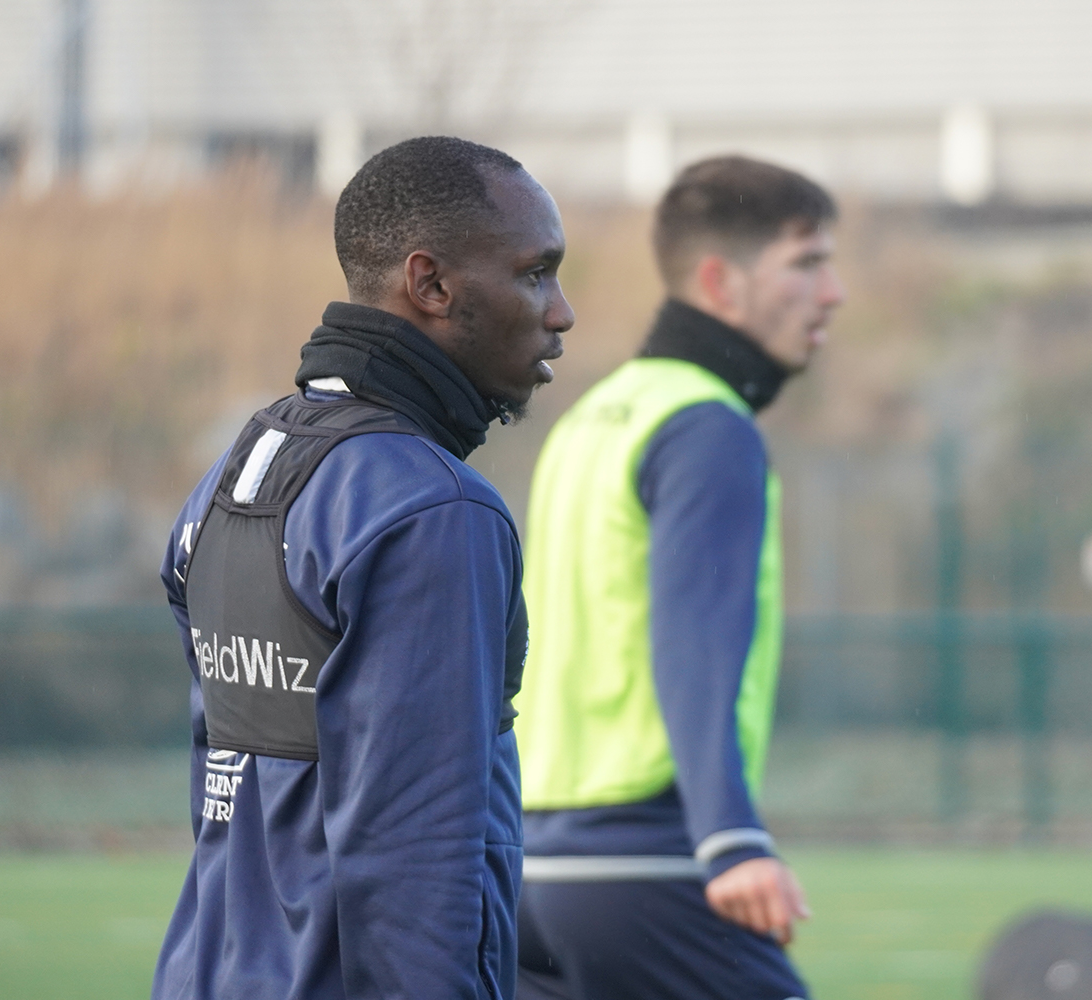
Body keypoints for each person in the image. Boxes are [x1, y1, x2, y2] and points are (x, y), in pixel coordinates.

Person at [151, 136, 573, 1000]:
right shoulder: (433, 511)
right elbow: (415, 850)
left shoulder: (243, 463)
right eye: (536, 273)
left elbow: (221, 784)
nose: (561, 311)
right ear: (431, 284)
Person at [514, 155, 845, 999]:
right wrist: (731, 838)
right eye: (806, 263)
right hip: (646, 861)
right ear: (718, 282)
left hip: (535, 873)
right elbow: (692, 642)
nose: (832, 292)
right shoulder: (706, 425)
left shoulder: (598, 414)